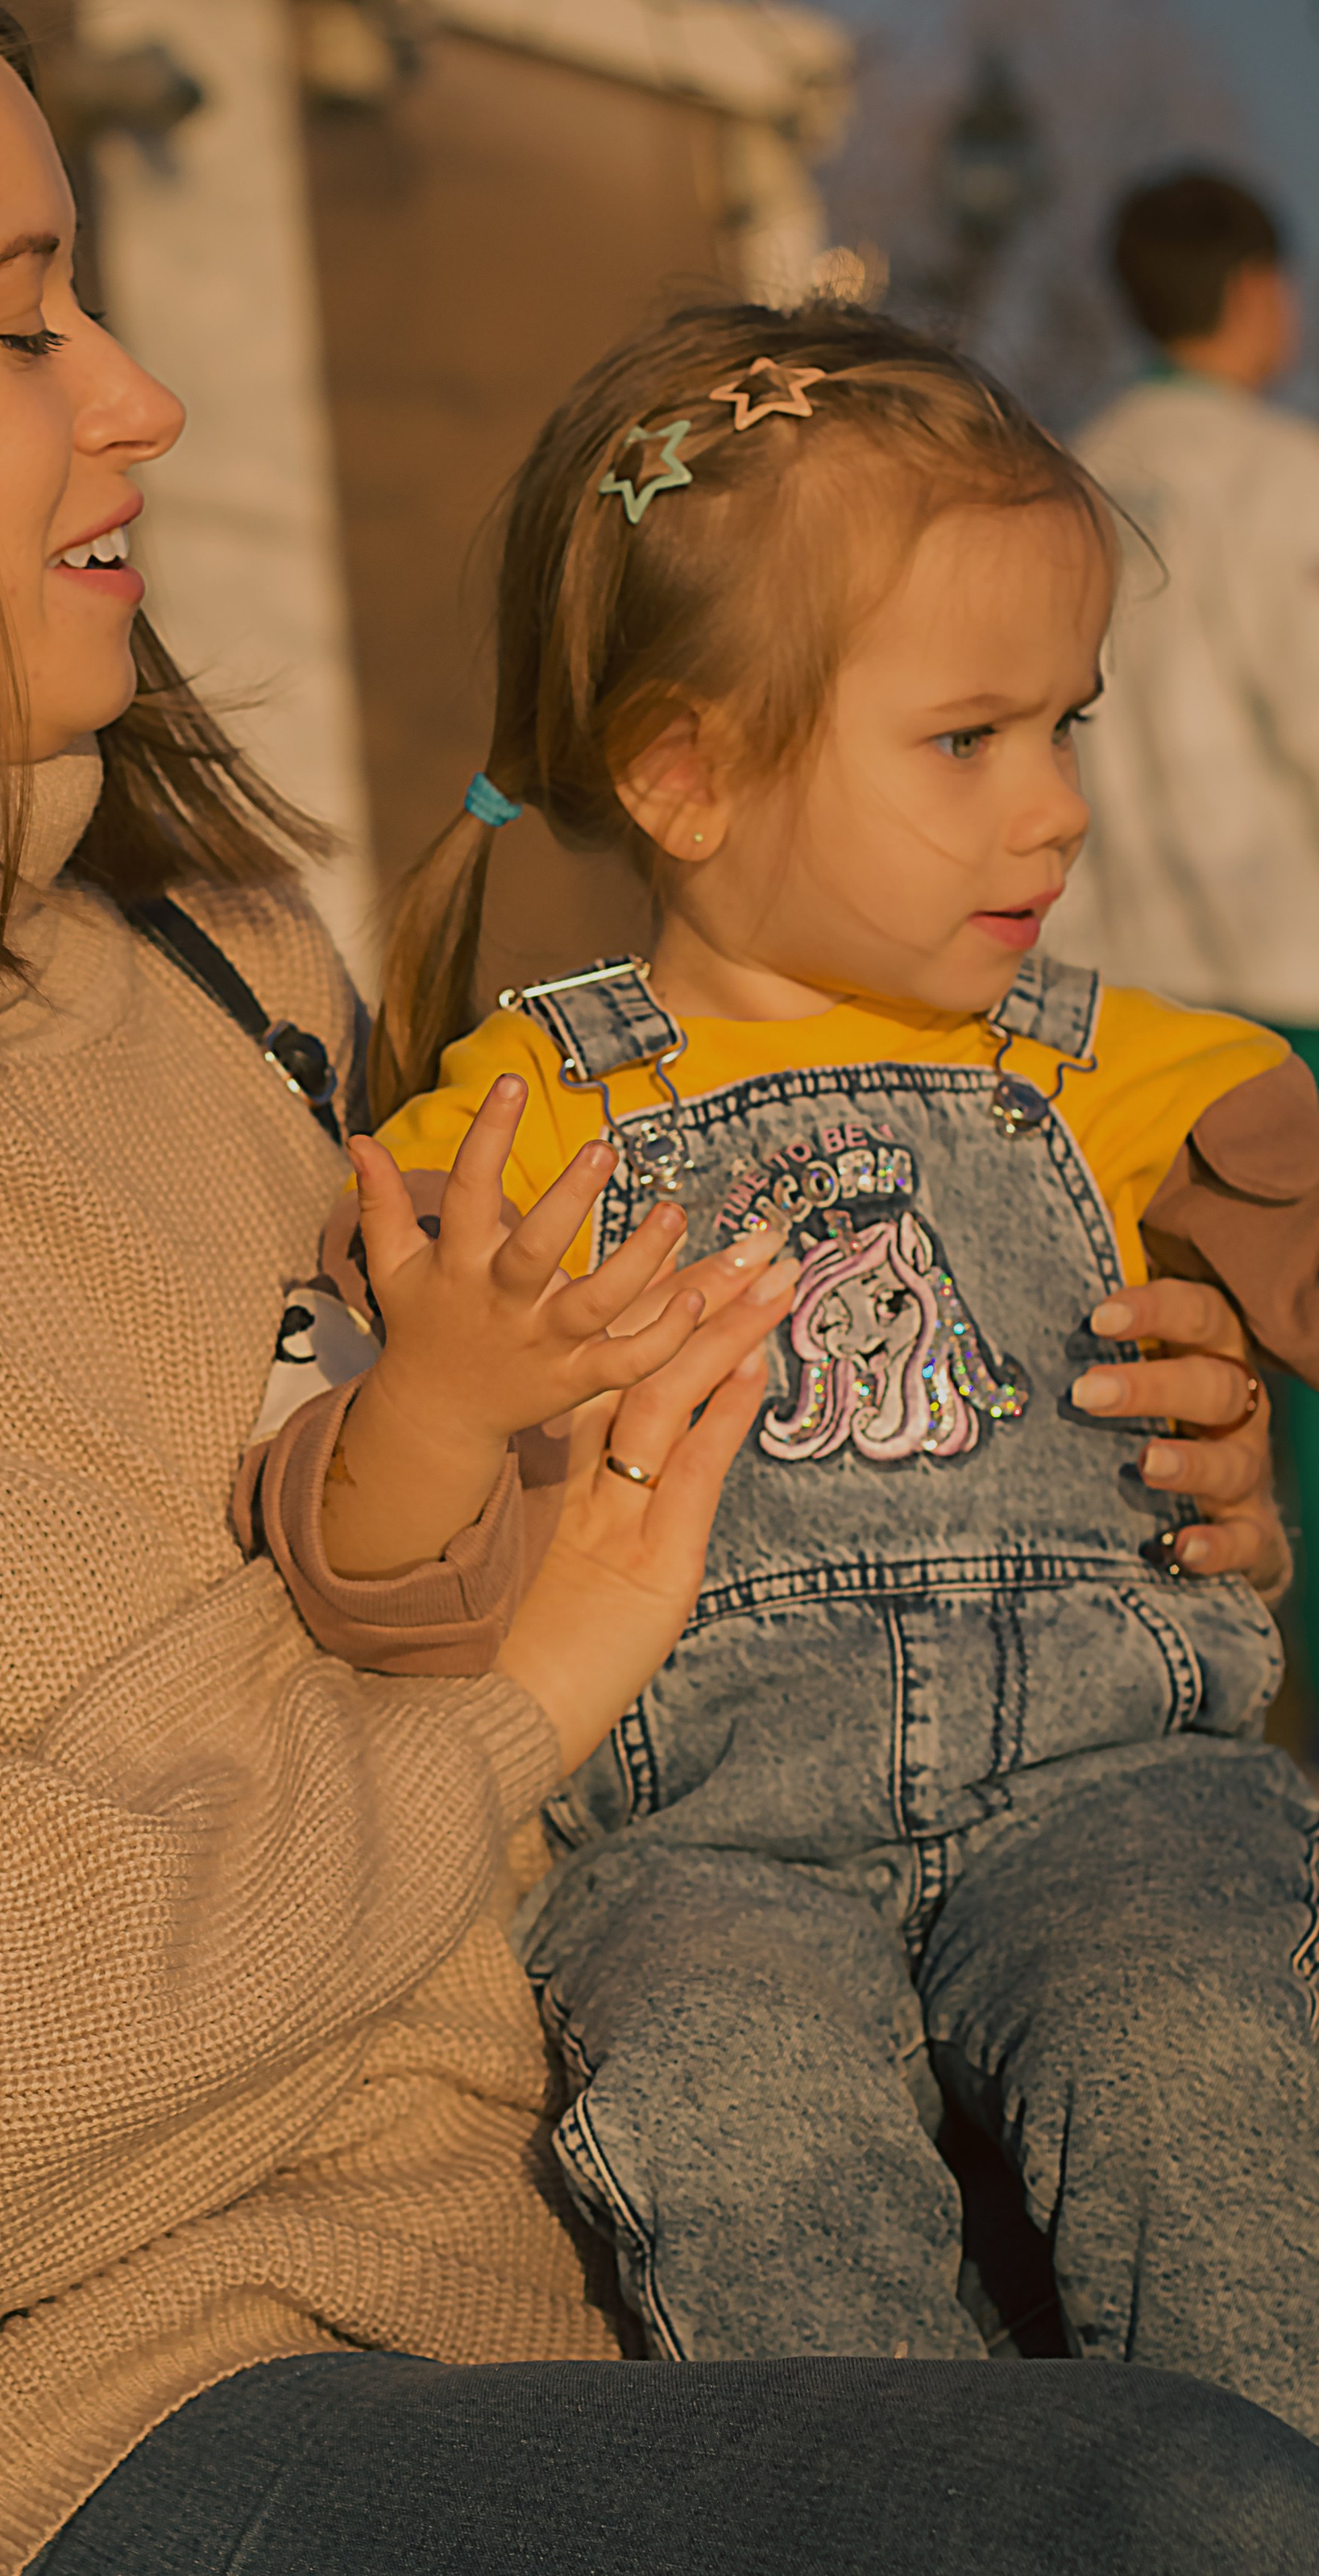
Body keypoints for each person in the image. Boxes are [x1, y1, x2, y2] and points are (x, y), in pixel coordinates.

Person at [0, 0, 1318, 2576]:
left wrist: (1085, 1477)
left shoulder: (229, 961)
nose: (145, 392)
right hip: (59, 2452)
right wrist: (517, 1704)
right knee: (1172, 2543)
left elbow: (547, 1526)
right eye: (23, 327)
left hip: (613, 2260)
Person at [244, 302, 1319, 2429]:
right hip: (708, 1842)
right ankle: (904, 2547)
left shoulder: (1106, 1061)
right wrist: (440, 1407)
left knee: (1208, 2040)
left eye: (1068, 726)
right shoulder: (519, 1119)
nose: (1058, 812)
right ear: (688, 773)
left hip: (1115, 1782)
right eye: (967, 741)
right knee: (731, 2126)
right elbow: (347, 1552)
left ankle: (1249, 2521)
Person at [1049, 168, 1319, 1692]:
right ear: (1263, 293)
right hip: (1283, 1005)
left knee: (1173, 1401)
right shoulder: (1280, 481)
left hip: (1116, 1020)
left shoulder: (1066, 482)